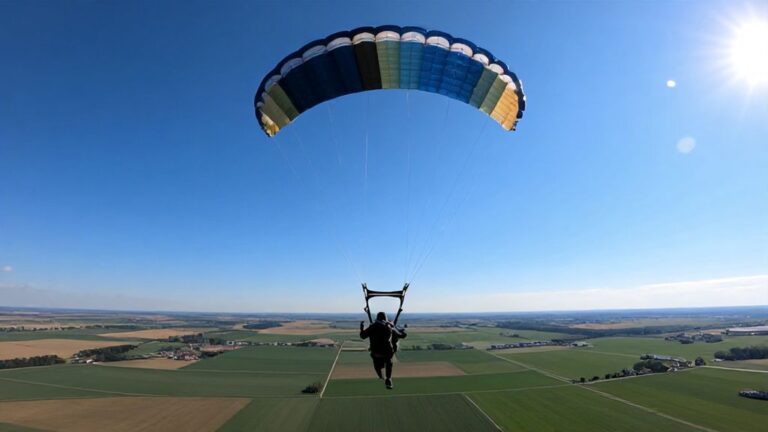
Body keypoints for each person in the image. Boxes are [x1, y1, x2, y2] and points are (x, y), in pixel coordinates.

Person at [360, 311, 406, 389]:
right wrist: (402, 331)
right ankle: (388, 379)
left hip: (376, 353)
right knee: (389, 362)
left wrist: (362, 328)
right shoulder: (389, 327)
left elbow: (363, 336)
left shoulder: (372, 327)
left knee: (376, 363)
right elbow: (402, 336)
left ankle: (381, 376)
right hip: (387, 354)